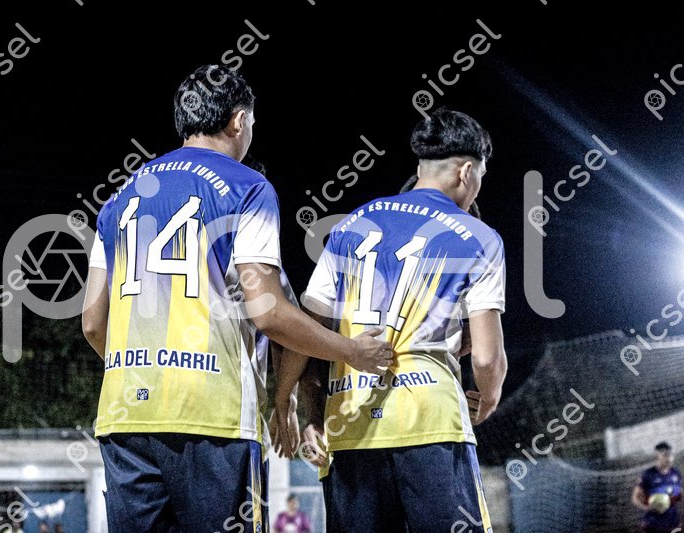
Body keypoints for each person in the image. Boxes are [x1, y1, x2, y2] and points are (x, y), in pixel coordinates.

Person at [81, 64, 392, 532]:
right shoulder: (247, 186)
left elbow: (92, 322)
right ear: (238, 121)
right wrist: (350, 350)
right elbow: (270, 314)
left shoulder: (118, 198)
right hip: (212, 417)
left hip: (125, 417)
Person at [275, 108, 507, 531]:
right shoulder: (479, 236)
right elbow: (488, 358)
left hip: (350, 426)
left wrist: (286, 396)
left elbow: (307, 331)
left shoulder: (349, 226)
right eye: (481, 176)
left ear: (421, 168)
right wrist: (489, 396)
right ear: (467, 171)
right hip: (431, 425)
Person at [632, 441, 683, 533]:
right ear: (657, 456)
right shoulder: (647, 474)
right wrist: (646, 507)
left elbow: (680, 493)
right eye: (665, 455)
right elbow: (635, 498)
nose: (669, 458)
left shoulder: (676, 473)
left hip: (673, 523)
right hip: (652, 524)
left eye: (671, 455)